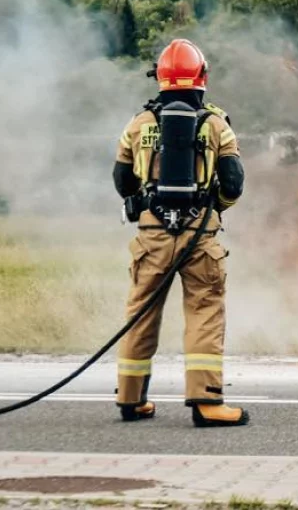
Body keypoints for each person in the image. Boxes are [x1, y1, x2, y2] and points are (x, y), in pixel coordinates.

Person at [111, 38, 249, 428]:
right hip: (199, 236)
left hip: (152, 235)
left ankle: (131, 399)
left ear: (160, 79)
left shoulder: (137, 126)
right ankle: (207, 404)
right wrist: (214, 208)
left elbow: (122, 179)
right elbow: (234, 182)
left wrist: (144, 200)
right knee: (204, 312)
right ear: (202, 77)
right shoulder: (216, 125)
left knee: (140, 314)